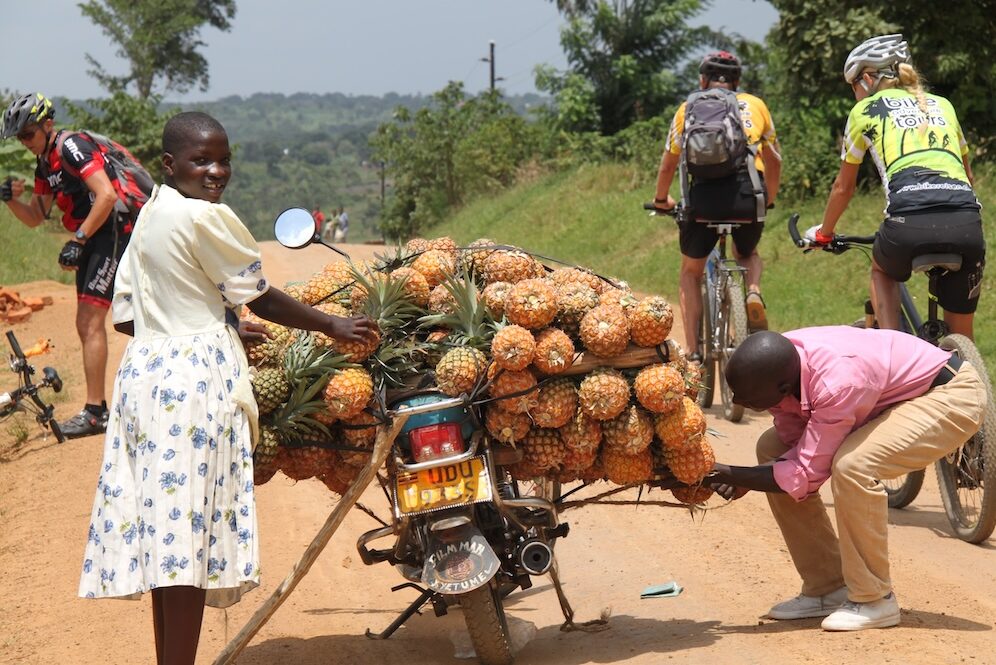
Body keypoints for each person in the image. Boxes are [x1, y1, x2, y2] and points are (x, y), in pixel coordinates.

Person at [77, 111, 376, 665]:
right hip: (192, 390)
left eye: (223, 159)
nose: (216, 171)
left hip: (145, 383)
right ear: (170, 164)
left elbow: (126, 318)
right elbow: (258, 294)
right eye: (201, 160)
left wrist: (217, 319)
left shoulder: (151, 214)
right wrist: (333, 324)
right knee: (186, 547)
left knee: (167, 542)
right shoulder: (205, 218)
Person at [702, 328, 984, 631]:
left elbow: (806, 472)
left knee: (854, 466)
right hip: (887, 396)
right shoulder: (781, 364)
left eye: (746, 397)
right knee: (771, 449)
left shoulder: (837, 382)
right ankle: (828, 587)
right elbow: (794, 447)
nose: (736, 400)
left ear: (783, 386)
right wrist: (752, 477)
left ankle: (875, 599)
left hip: (948, 395)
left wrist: (728, 473)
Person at [805, 34, 985, 339]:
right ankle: (969, 370)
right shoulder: (943, 105)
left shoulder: (864, 112)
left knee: (881, 270)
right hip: (966, 224)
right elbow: (968, 177)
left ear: (869, 78)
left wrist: (825, 233)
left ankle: (894, 347)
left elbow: (843, 188)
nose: (854, 93)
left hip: (907, 223)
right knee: (963, 341)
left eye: (853, 84)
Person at [1, 92, 149, 438]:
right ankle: (102, 407)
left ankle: (96, 412)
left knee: (90, 320)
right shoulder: (44, 163)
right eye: (20, 137)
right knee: (90, 323)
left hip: (111, 230)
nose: (24, 143)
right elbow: (37, 216)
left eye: (28, 134)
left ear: (47, 124)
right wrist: (10, 200)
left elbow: (106, 195)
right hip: (91, 237)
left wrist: (78, 239)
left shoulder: (71, 147)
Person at [653, 51, 782, 359]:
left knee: (690, 272)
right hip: (748, 197)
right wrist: (769, 197)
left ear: (702, 80)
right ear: (737, 82)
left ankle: (694, 351)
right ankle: (752, 290)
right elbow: (775, 159)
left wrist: (661, 199)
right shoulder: (756, 105)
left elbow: (669, 165)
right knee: (747, 253)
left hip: (703, 202)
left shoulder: (688, 108)